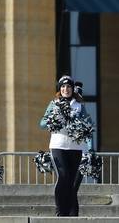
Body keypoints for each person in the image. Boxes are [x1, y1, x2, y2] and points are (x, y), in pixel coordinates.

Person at [39, 75, 91, 217]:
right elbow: (42, 124)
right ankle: (60, 211)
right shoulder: (54, 103)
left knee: (72, 180)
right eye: (62, 86)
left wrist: (79, 125)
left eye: (68, 87)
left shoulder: (79, 106)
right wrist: (53, 120)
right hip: (58, 145)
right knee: (63, 176)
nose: (65, 89)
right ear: (59, 89)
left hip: (76, 147)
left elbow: (89, 125)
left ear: (72, 89)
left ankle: (70, 213)